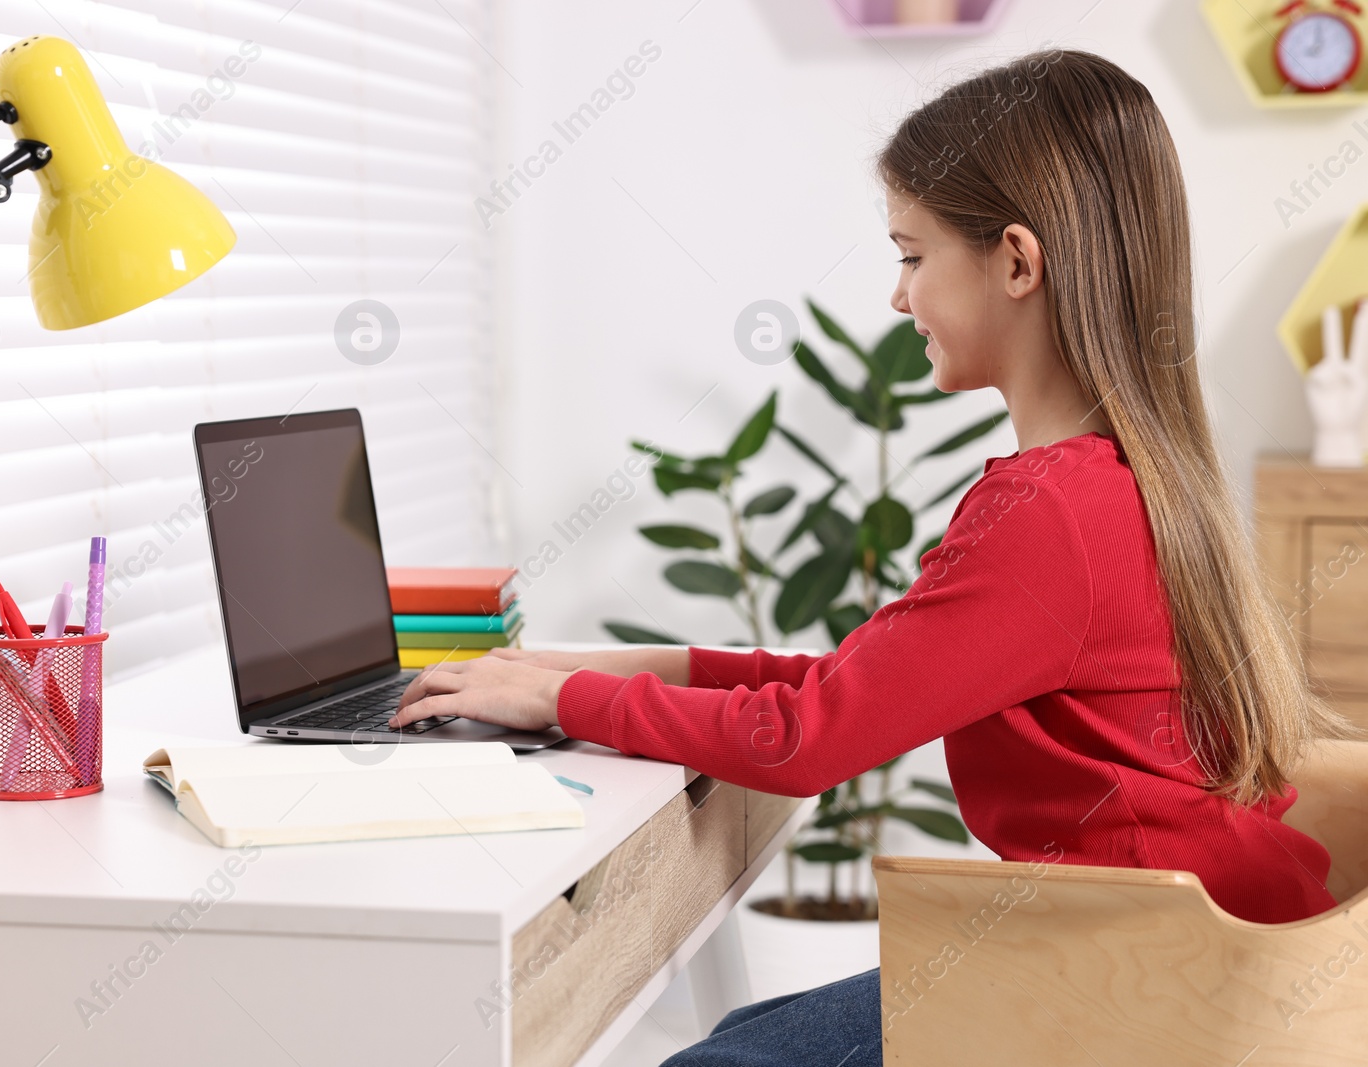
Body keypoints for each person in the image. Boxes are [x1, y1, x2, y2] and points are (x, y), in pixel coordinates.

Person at [386, 47, 1367, 1066]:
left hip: (1146, 985)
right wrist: (574, 675)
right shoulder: (1131, 477)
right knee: (743, 1034)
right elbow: (854, 685)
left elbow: (807, 737)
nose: (898, 298)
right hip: (1202, 958)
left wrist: (569, 703)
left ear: (1016, 262)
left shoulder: (1045, 512)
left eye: (910, 254)